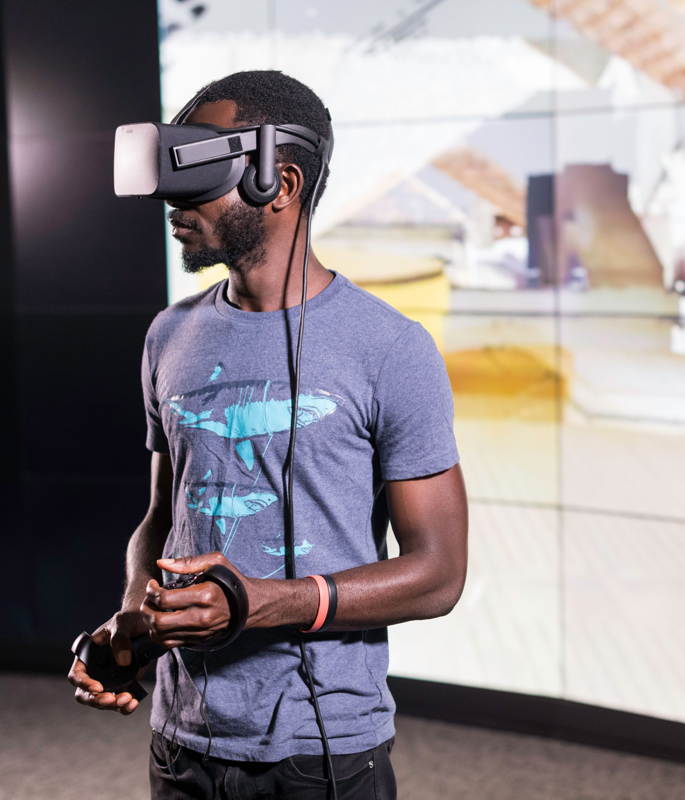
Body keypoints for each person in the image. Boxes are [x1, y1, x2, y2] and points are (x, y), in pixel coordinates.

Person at [66, 70, 468, 800]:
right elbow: (164, 518)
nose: (169, 199)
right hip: (181, 742)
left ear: (277, 183)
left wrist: (258, 603)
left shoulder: (390, 349)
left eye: (196, 173)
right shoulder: (169, 336)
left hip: (321, 755)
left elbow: (439, 572)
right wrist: (133, 623)